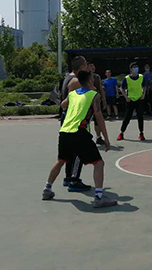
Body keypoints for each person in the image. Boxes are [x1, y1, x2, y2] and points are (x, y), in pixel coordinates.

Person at [42, 70, 117, 208]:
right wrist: (106, 138)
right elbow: (99, 117)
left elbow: (62, 105)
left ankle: (47, 189)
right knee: (98, 163)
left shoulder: (72, 94)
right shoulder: (94, 95)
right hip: (79, 132)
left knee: (61, 160)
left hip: (65, 131)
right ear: (89, 81)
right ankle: (99, 197)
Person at [60, 56, 91, 192]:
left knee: (69, 151)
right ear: (82, 66)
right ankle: (74, 180)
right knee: (79, 150)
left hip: (67, 118)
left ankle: (68, 178)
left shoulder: (68, 78)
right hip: (74, 119)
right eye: (86, 65)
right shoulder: (76, 81)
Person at [117, 62, 146, 141]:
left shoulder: (141, 77)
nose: (136, 69)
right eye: (134, 67)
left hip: (139, 99)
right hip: (130, 100)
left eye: (137, 67)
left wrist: (143, 94)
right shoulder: (127, 78)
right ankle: (121, 133)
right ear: (131, 69)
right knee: (127, 117)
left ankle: (141, 133)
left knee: (140, 116)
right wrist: (126, 97)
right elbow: (121, 88)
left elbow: (144, 86)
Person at [88, 62, 108, 146]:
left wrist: (104, 99)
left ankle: (98, 137)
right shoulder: (84, 76)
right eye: (91, 66)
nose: (93, 67)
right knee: (86, 120)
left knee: (98, 119)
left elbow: (100, 88)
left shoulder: (97, 76)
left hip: (96, 100)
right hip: (87, 101)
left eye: (93, 65)